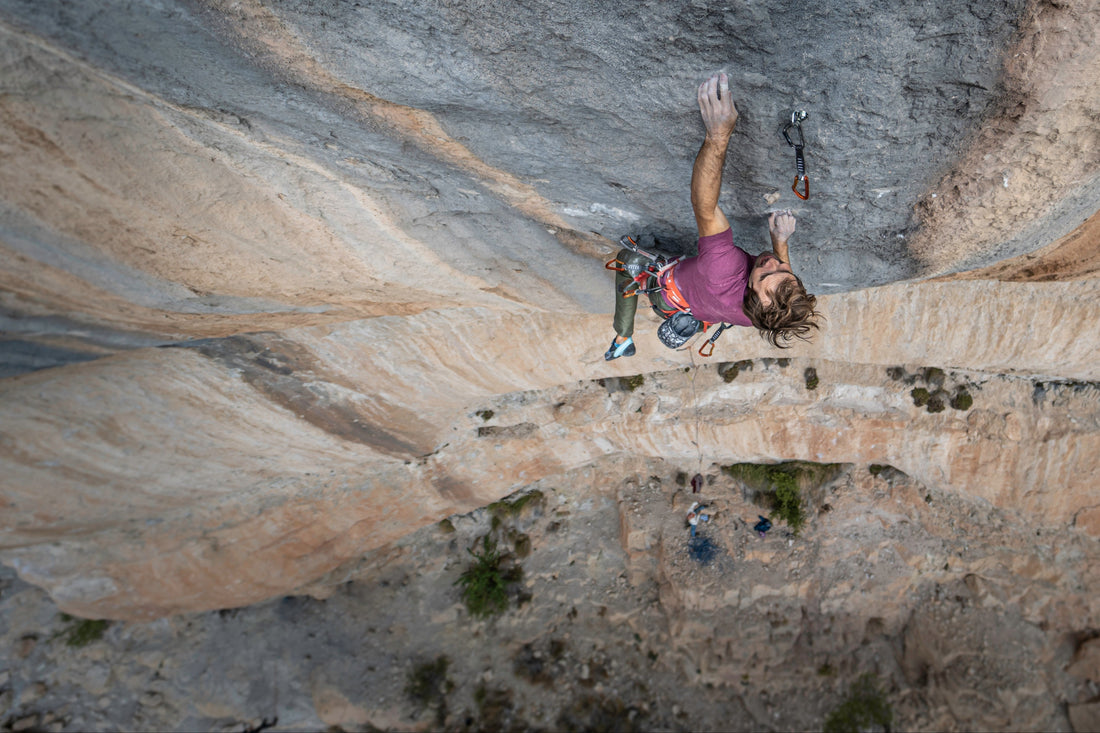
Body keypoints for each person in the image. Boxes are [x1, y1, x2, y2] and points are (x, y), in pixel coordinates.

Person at [605, 72, 821, 360]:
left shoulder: (725, 270)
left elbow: (704, 207)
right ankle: (663, 327)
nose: (773, 262)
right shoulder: (767, 314)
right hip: (703, 311)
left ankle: (622, 337)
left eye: (765, 273)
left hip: (670, 296)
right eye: (784, 271)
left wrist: (718, 135)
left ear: (751, 294)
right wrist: (780, 241)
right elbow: (777, 282)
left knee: (627, 259)